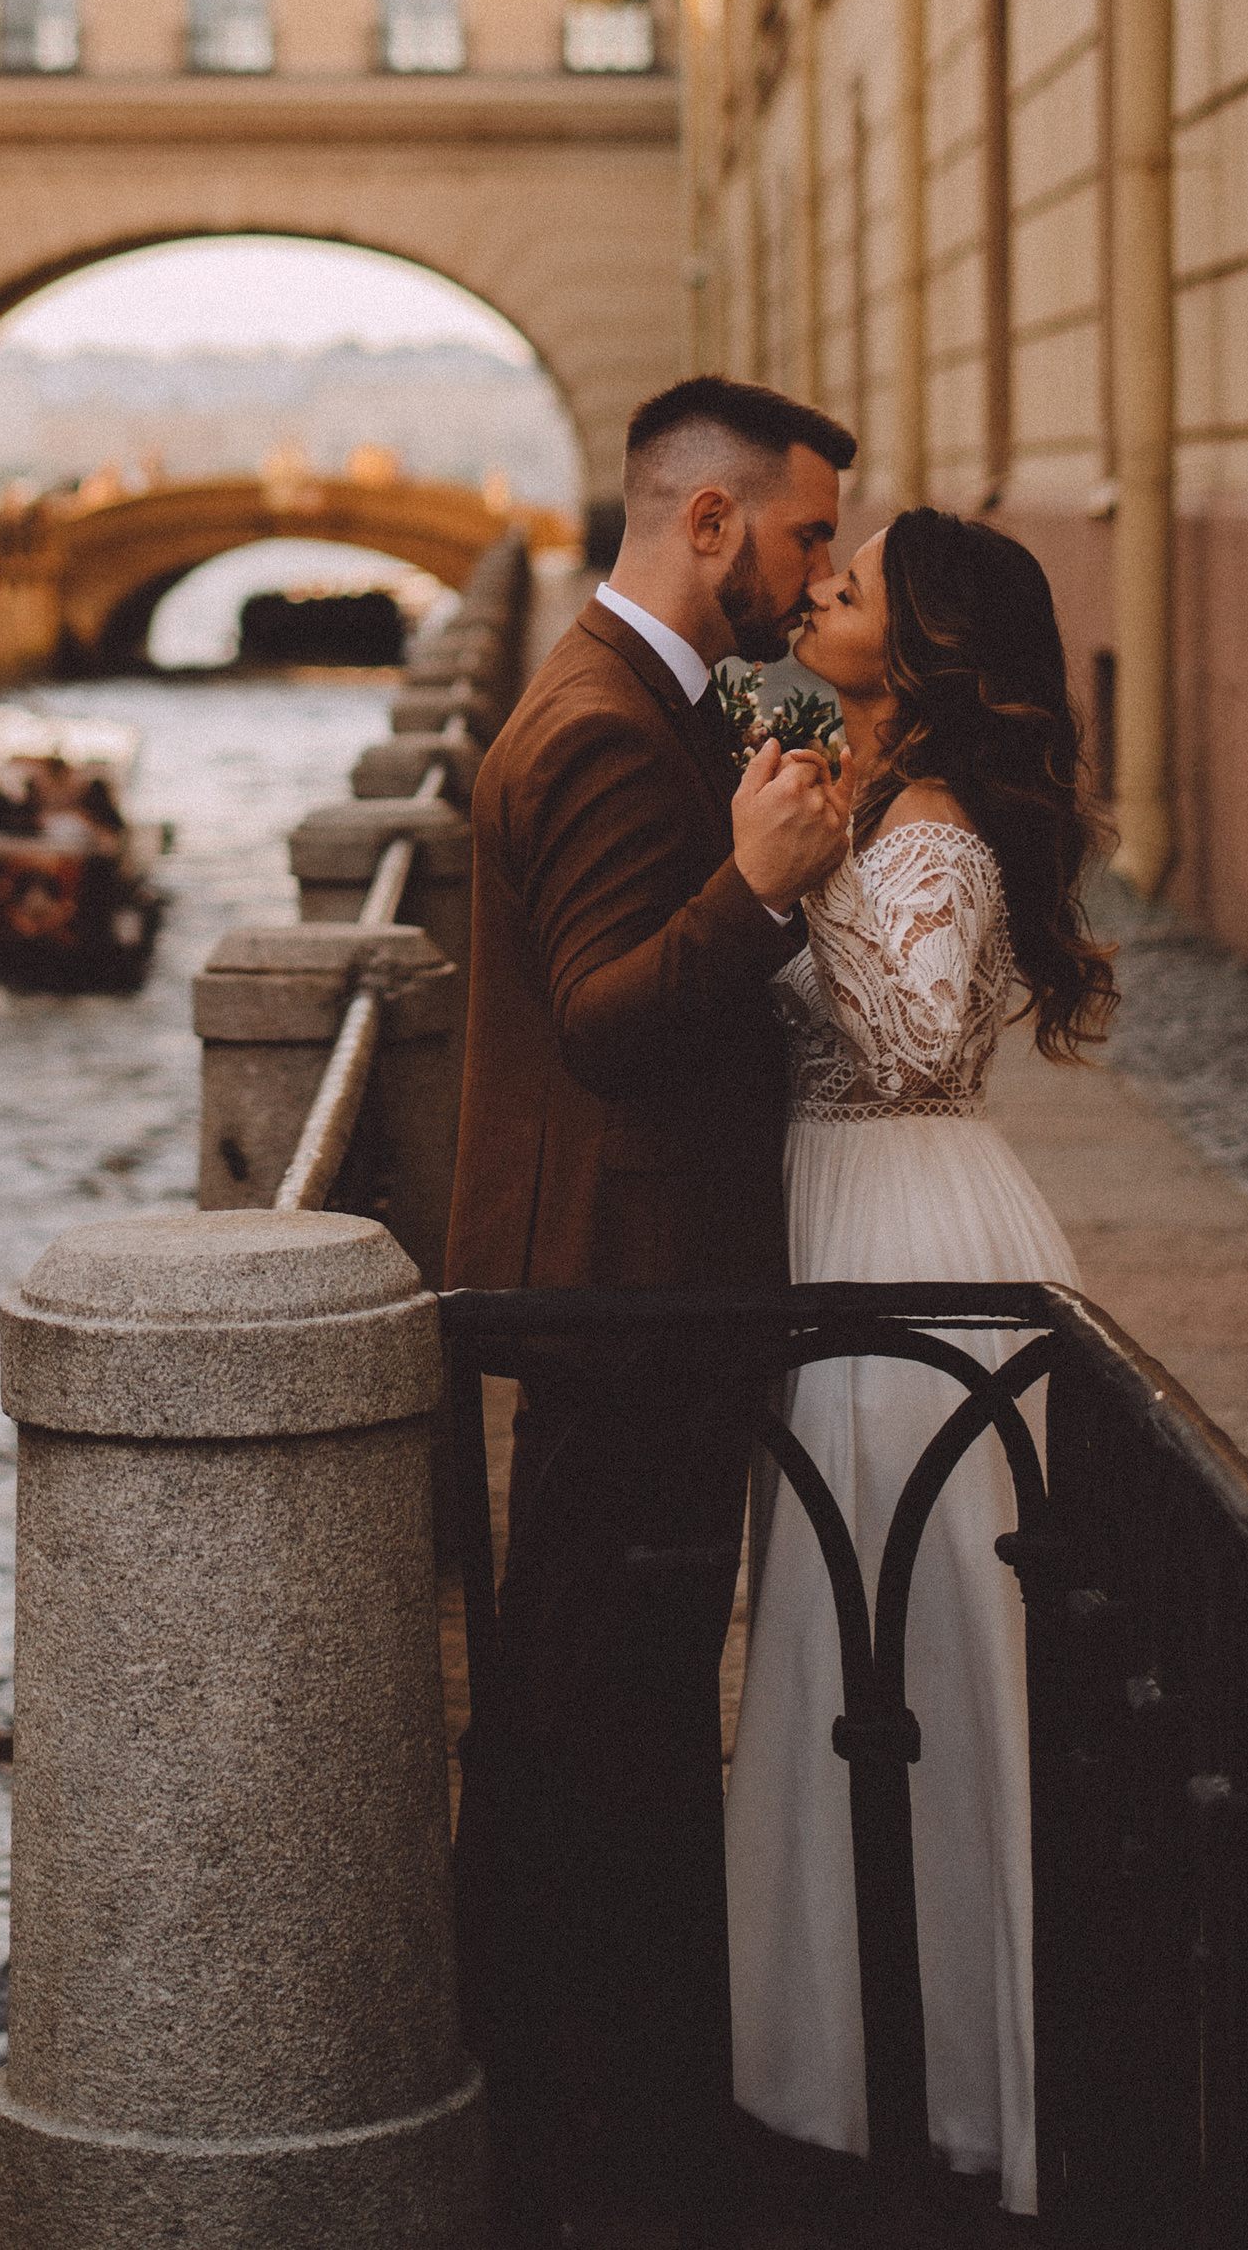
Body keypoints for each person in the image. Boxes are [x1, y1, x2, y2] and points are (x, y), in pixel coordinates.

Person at [447, 374, 856, 2238]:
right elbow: (612, 1017)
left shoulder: (634, 694)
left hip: (624, 1280)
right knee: (594, 1707)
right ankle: (579, 2108)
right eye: (801, 538)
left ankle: (573, 2068)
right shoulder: (606, 724)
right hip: (629, 1289)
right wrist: (763, 891)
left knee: (584, 1696)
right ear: (707, 525)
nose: (811, 572)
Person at [724, 510, 1114, 2218]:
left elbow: (911, 1040)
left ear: (927, 646)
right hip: (848, 1226)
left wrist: (800, 877)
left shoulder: (937, 831)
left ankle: (969, 2086)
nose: (816, 588)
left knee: (936, 1657)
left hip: (915, 1248)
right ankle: (853, 2055)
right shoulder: (880, 802)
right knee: (848, 1648)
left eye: (852, 581)